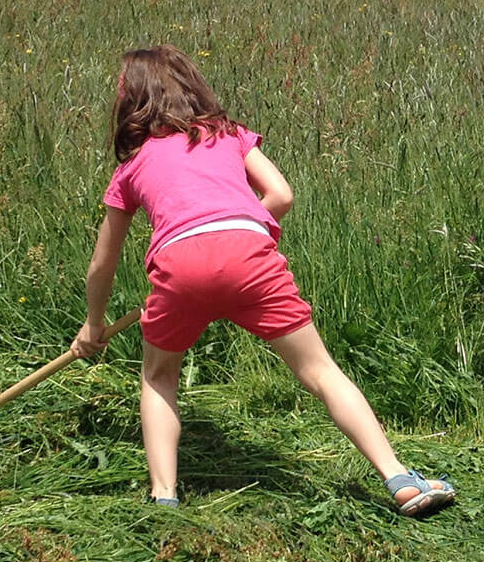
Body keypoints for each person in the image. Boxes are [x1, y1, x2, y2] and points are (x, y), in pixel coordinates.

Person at [70, 45, 456, 516]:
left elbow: (102, 265)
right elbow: (281, 194)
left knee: (159, 374)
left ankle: (164, 497)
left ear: (132, 102)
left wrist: (93, 325)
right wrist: (238, 227)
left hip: (179, 264)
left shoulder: (130, 168)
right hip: (251, 254)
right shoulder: (228, 136)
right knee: (320, 371)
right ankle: (398, 478)